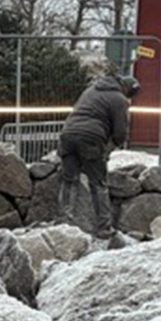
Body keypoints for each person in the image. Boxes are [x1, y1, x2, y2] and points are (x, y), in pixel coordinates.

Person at [57, 71, 135, 238]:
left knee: (69, 180)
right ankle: (104, 227)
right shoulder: (119, 99)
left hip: (67, 135)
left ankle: (64, 223)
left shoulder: (90, 90)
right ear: (126, 90)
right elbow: (120, 133)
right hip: (91, 138)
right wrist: (108, 149)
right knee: (98, 183)